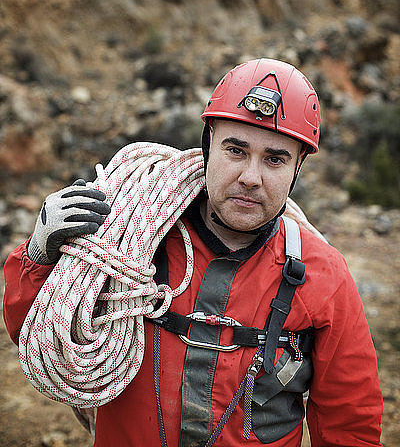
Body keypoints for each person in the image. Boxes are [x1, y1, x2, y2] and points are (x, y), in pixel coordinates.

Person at [3, 58, 383, 447]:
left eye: (275, 158)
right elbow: (39, 336)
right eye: (235, 150)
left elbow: (350, 422)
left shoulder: (324, 276)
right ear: (208, 147)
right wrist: (40, 254)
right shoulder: (128, 238)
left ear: (297, 167)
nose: (251, 177)